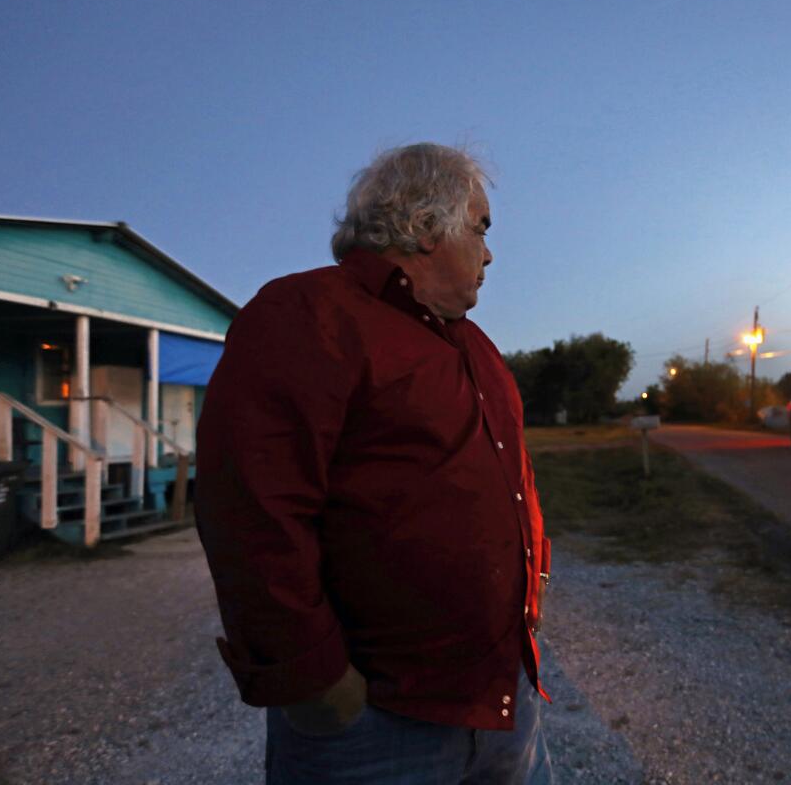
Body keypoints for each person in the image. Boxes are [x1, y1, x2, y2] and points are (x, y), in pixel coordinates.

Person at [195, 143, 552, 784]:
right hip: (380, 725)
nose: (490, 252)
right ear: (423, 226)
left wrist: (531, 594)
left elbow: (513, 484)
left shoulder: (479, 350)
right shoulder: (307, 315)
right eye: (480, 227)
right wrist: (312, 676)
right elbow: (251, 508)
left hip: (503, 700)